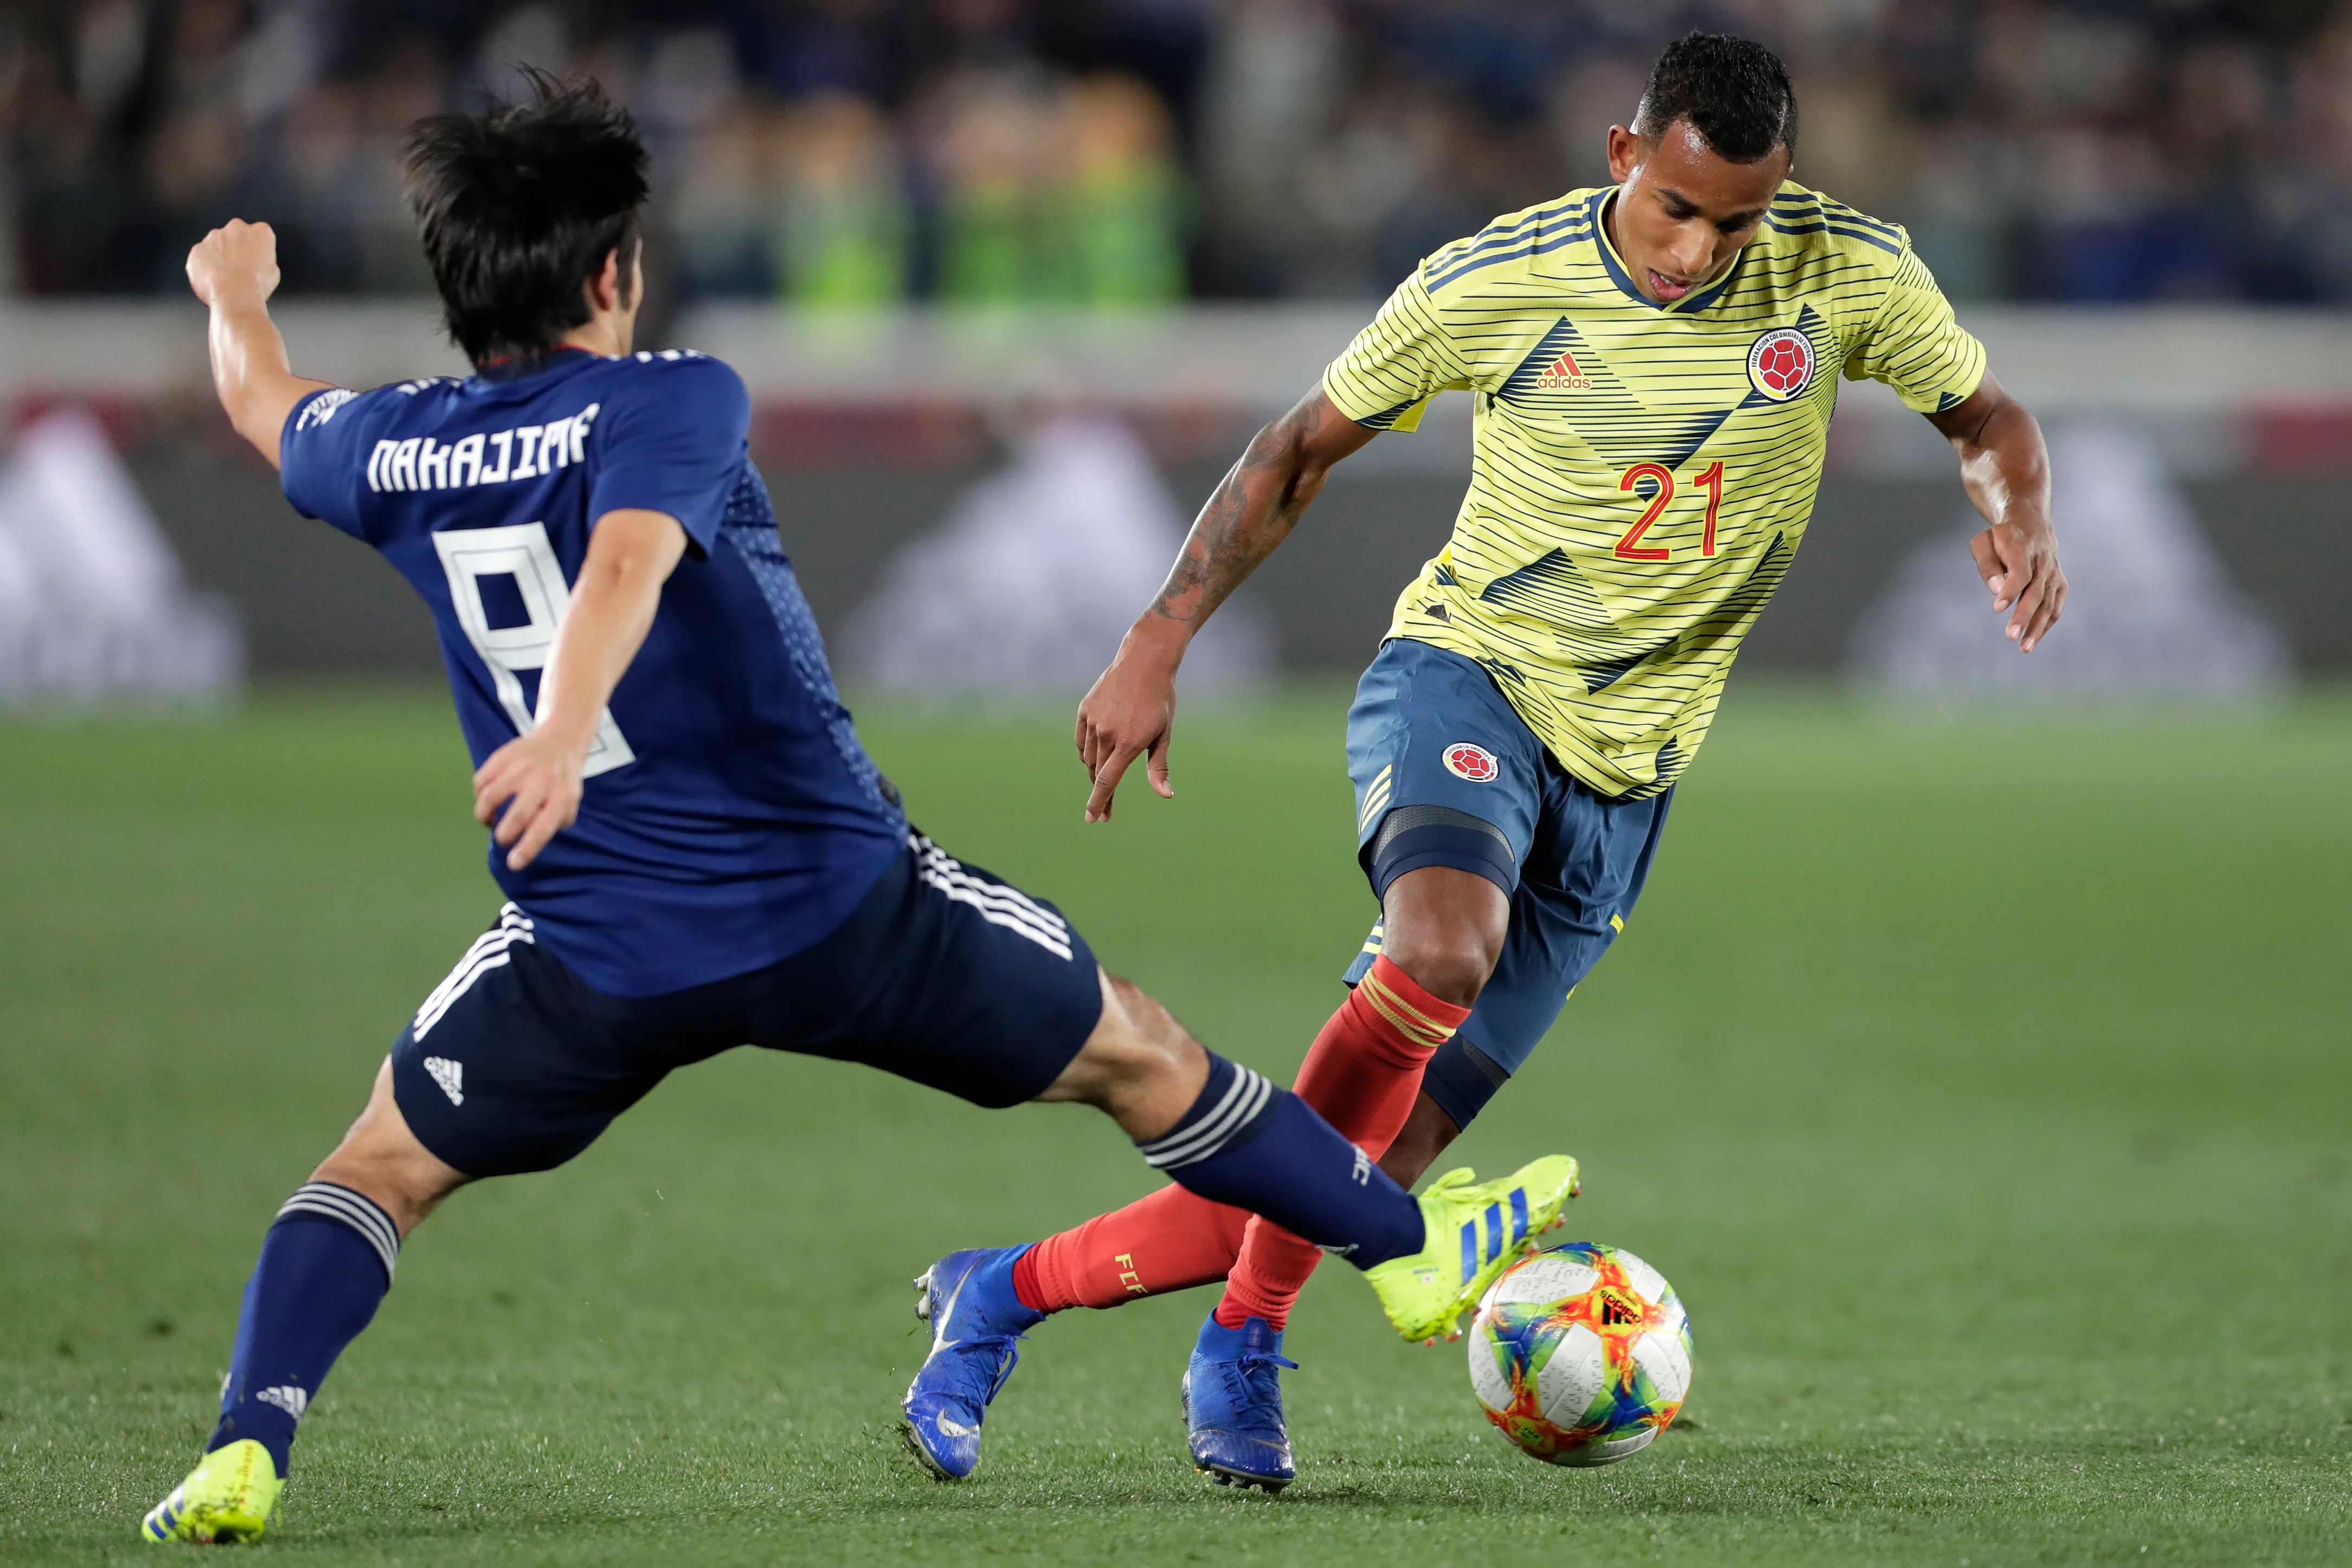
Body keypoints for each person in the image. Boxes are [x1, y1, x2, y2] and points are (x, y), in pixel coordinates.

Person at [140, 76, 1579, 1545]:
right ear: (612, 274)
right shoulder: (674, 398)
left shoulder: (390, 446)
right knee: (1142, 1058)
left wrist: (233, 292)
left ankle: (246, 1445)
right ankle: (1402, 1250)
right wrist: (566, 725)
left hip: (595, 944)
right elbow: (627, 556)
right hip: (838, 910)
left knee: (375, 1169)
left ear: (457, 289)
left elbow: (261, 401)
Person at [901, 31, 2067, 1491]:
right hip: (1472, 678)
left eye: (1737, 222)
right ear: (1623, 156)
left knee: (1356, 1175)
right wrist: (1158, 635)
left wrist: (2021, 510)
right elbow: (1295, 451)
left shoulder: (1847, 273)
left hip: (1631, 780)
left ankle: (1007, 1294)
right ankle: (1241, 1346)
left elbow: (1987, 416)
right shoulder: (1497, 280)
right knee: (1442, 949)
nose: (1699, 250)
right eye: (1676, 207)